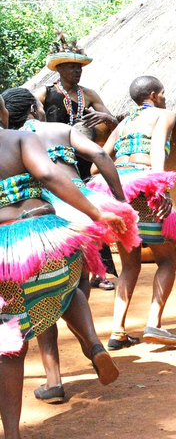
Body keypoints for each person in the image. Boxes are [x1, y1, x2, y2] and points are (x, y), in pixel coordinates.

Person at [0, 93, 126, 439]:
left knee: (10, 344)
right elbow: (50, 175)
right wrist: (97, 212)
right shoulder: (22, 138)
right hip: (44, 237)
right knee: (67, 289)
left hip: (4, 258)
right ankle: (92, 344)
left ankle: (12, 433)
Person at [90, 76, 176, 348]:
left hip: (118, 191)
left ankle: (117, 331)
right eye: (164, 93)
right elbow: (157, 148)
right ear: (155, 95)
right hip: (145, 188)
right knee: (167, 260)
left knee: (129, 264)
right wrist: (161, 188)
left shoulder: (123, 123)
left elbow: (96, 165)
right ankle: (154, 325)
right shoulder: (163, 115)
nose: (166, 98)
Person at [34, 33, 119, 291]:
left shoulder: (88, 94)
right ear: (58, 68)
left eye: (79, 67)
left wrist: (104, 116)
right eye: (72, 67)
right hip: (54, 162)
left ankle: (100, 273)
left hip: (81, 163)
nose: (77, 71)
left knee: (91, 212)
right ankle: (61, 270)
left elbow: (114, 122)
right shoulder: (45, 93)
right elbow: (27, 121)